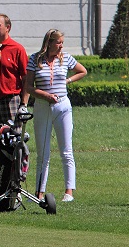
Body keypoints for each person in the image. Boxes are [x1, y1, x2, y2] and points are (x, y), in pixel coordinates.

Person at [20, 29, 87, 202]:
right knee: (43, 153)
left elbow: (82, 71)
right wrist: (45, 96)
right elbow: (28, 86)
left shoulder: (65, 58)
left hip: (62, 106)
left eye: (62, 42)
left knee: (66, 150)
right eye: (58, 42)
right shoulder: (35, 59)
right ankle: (39, 193)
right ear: (49, 42)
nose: (61, 46)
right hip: (42, 107)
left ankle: (69, 191)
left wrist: (67, 81)